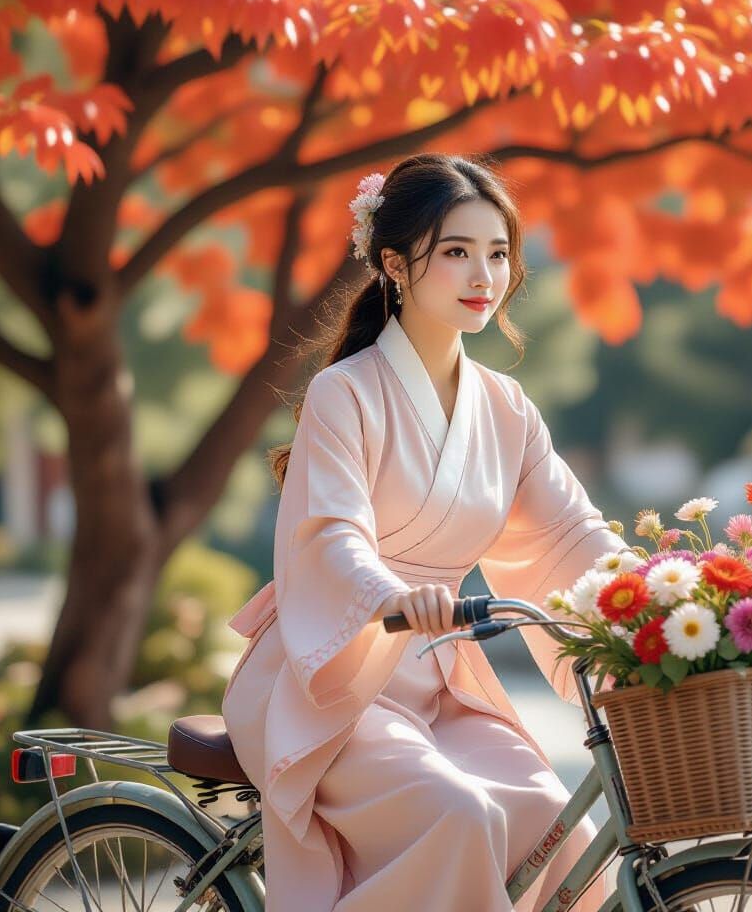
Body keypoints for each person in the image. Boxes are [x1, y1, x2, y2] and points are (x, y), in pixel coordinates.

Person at [221, 153, 641, 912]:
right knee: (461, 816)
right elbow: (329, 537)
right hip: (334, 678)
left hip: (440, 679)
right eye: (455, 252)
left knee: (554, 820)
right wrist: (394, 594)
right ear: (394, 264)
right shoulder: (343, 393)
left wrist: (657, 596)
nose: (483, 273)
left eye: (498, 252)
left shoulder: (506, 408)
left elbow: (570, 538)